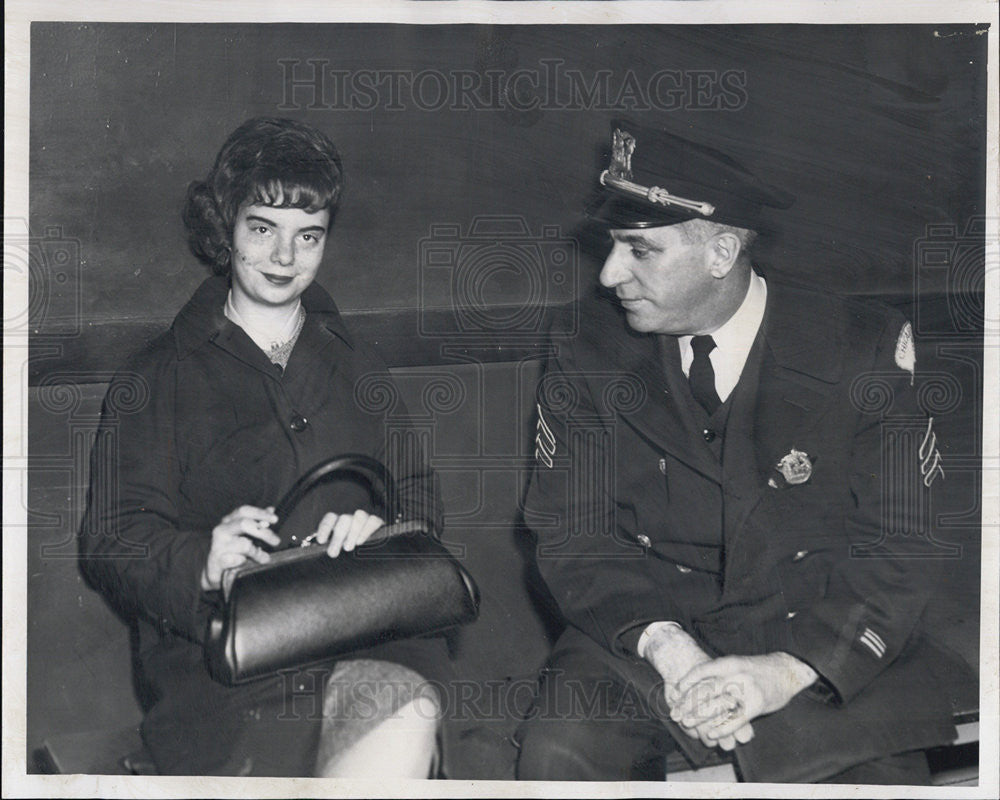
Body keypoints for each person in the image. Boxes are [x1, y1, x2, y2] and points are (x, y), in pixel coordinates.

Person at [515, 118, 963, 784]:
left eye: (640, 250)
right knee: (557, 761)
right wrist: (668, 647)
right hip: (644, 633)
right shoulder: (589, 346)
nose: (610, 274)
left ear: (721, 252)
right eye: (612, 245)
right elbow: (569, 531)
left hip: (817, 635)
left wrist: (792, 670)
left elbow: (902, 544)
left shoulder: (861, 346)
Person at [79, 117, 448, 778]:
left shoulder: (360, 364)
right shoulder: (154, 376)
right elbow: (111, 539)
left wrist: (381, 529)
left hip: (366, 632)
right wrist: (202, 558)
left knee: (397, 722)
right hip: (223, 665)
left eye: (308, 237)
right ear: (225, 228)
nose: (284, 259)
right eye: (262, 229)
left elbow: (421, 499)